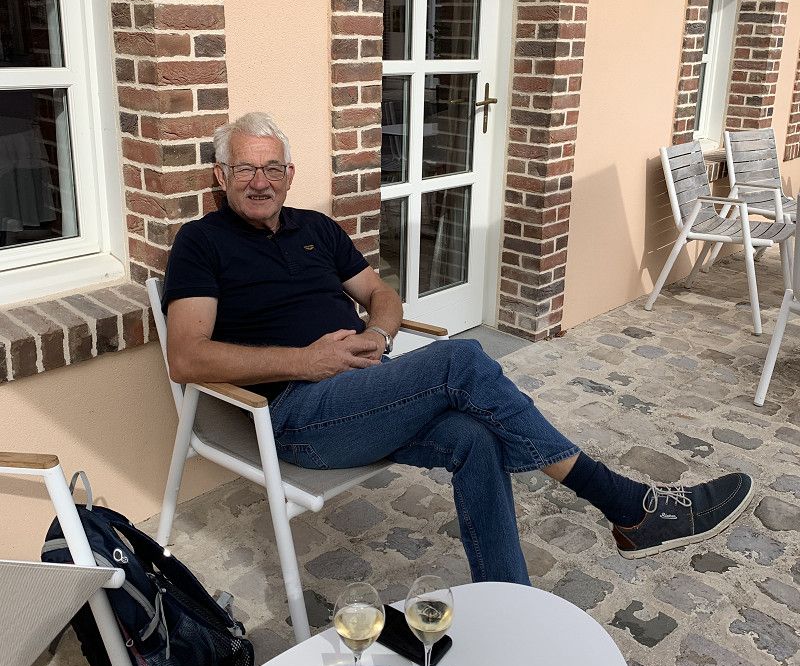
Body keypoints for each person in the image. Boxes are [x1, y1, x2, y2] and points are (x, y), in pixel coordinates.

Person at [162, 112, 754, 585]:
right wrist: (305, 361)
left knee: (476, 437)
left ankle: (506, 600)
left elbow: (380, 293)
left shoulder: (314, 228)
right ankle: (626, 504)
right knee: (461, 359)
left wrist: (379, 335)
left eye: (271, 168)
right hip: (297, 415)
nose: (259, 181)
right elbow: (186, 357)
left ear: (290, 174)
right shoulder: (201, 243)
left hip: (366, 391)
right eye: (245, 168)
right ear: (221, 175)